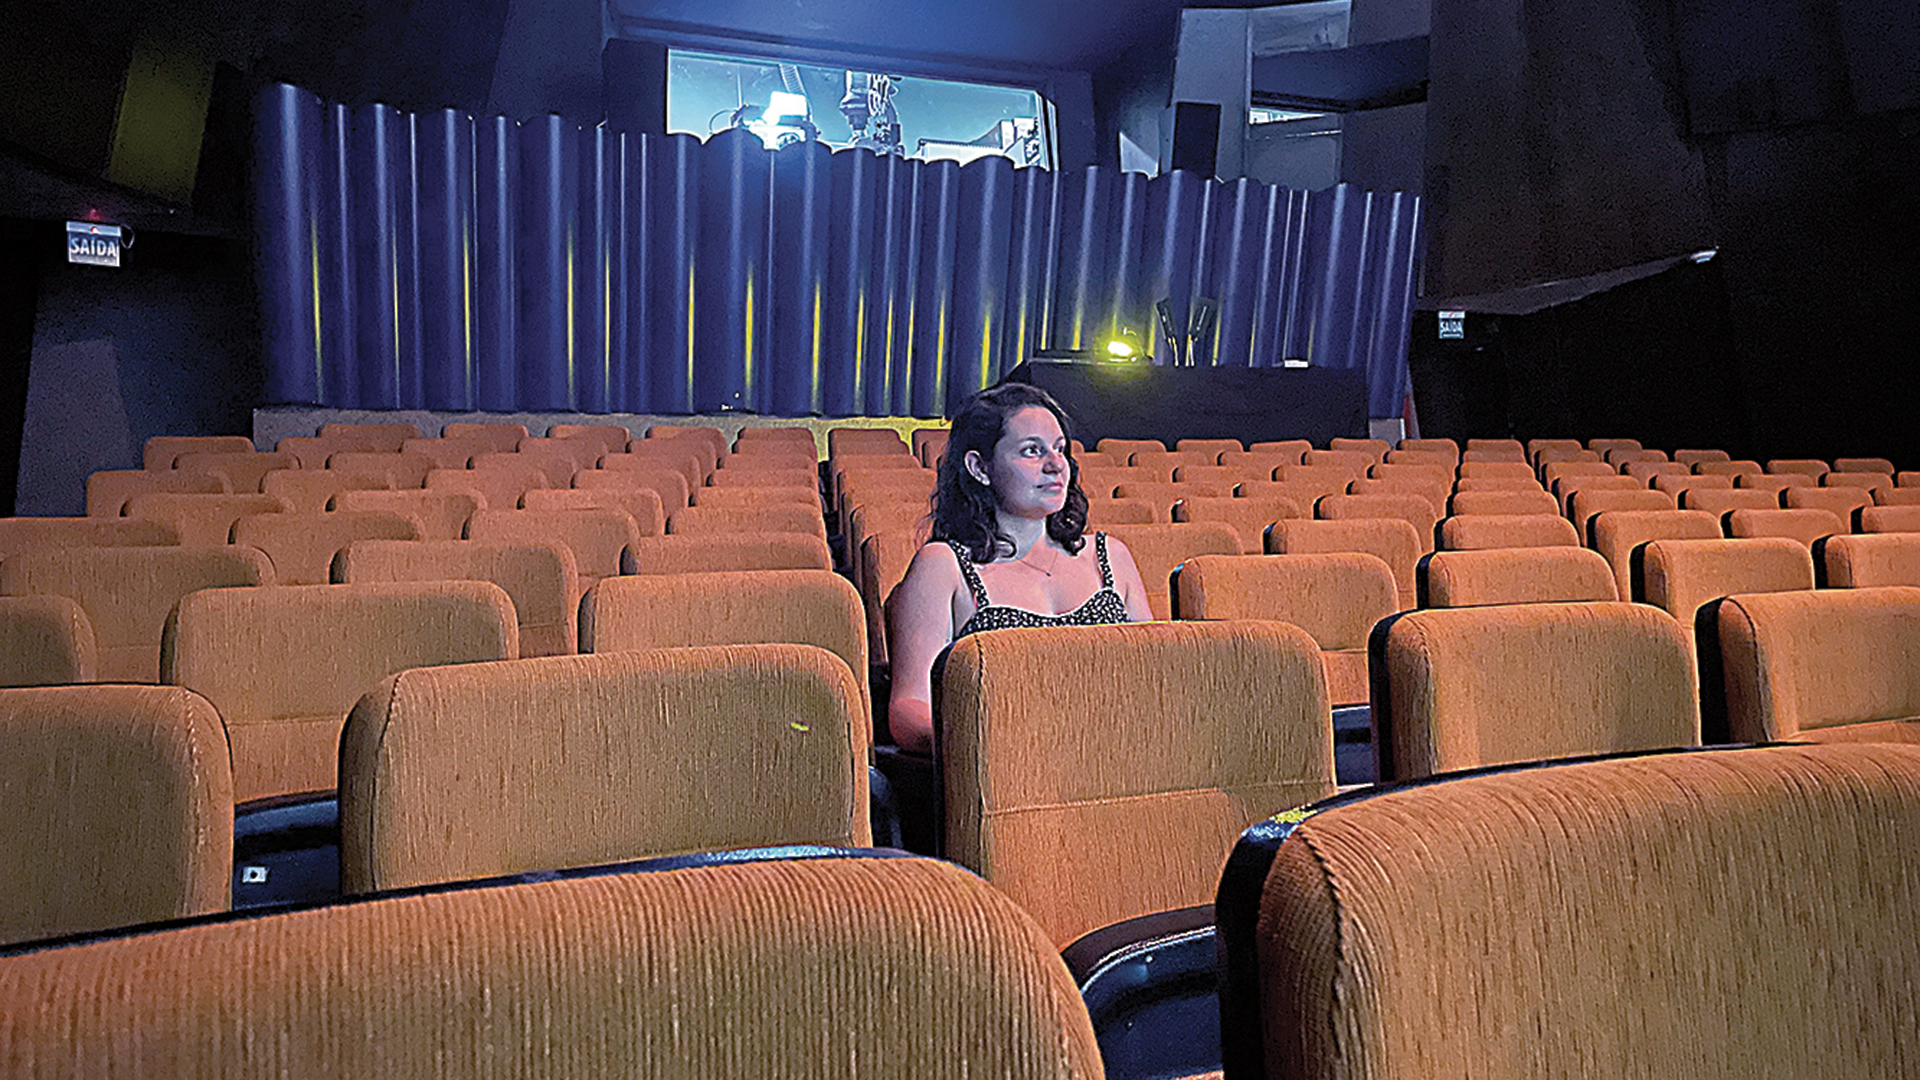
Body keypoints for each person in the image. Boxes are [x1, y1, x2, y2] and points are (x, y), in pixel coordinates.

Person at [886, 383, 1153, 753]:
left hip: (1119, 759)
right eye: (1032, 451)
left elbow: (1156, 679)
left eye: (1060, 449)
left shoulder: (1112, 556)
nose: (1056, 464)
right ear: (980, 468)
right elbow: (909, 709)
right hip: (1008, 773)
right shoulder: (943, 565)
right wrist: (991, 747)